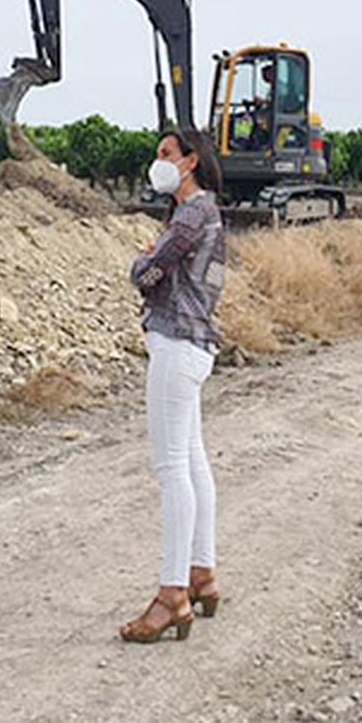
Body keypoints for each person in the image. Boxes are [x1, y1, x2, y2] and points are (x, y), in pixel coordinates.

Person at [122, 129, 228, 643]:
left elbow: (146, 272)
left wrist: (144, 260)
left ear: (189, 162)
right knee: (192, 461)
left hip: (176, 343)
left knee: (171, 470)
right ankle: (201, 574)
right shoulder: (207, 212)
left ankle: (171, 597)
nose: (157, 162)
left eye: (166, 154)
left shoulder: (189, 215)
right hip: (197, 345)